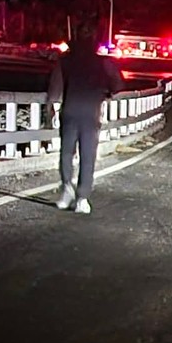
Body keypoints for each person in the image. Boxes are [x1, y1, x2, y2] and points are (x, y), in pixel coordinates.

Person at [47, 21, 124, 214]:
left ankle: (66, 189)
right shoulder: (103, 62)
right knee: (87, 156)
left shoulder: (65, 60)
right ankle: (82, 197)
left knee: (66, 153)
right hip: (91, 113)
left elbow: (55, 88)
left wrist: (51, 107)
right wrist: (106, 94)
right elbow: (118, 83)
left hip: (70, 110)